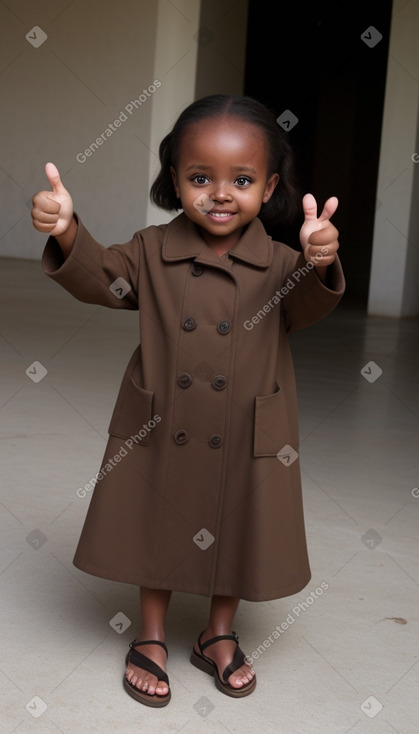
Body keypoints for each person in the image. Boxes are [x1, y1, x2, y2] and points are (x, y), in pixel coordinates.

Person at [31, 93, 345, 707]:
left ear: (271, 186)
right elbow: (102, 277)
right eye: (200, 177)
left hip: (246, 422)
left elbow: (306, 308)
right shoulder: (150, 250)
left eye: (242, 179)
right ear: (174, 180)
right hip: (165, 419)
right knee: (160, 518)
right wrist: (68, 228)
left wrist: (317, 258)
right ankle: (150, 635)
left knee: (237, 522)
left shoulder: (281, 262)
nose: (220, 193)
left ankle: (217, 633)